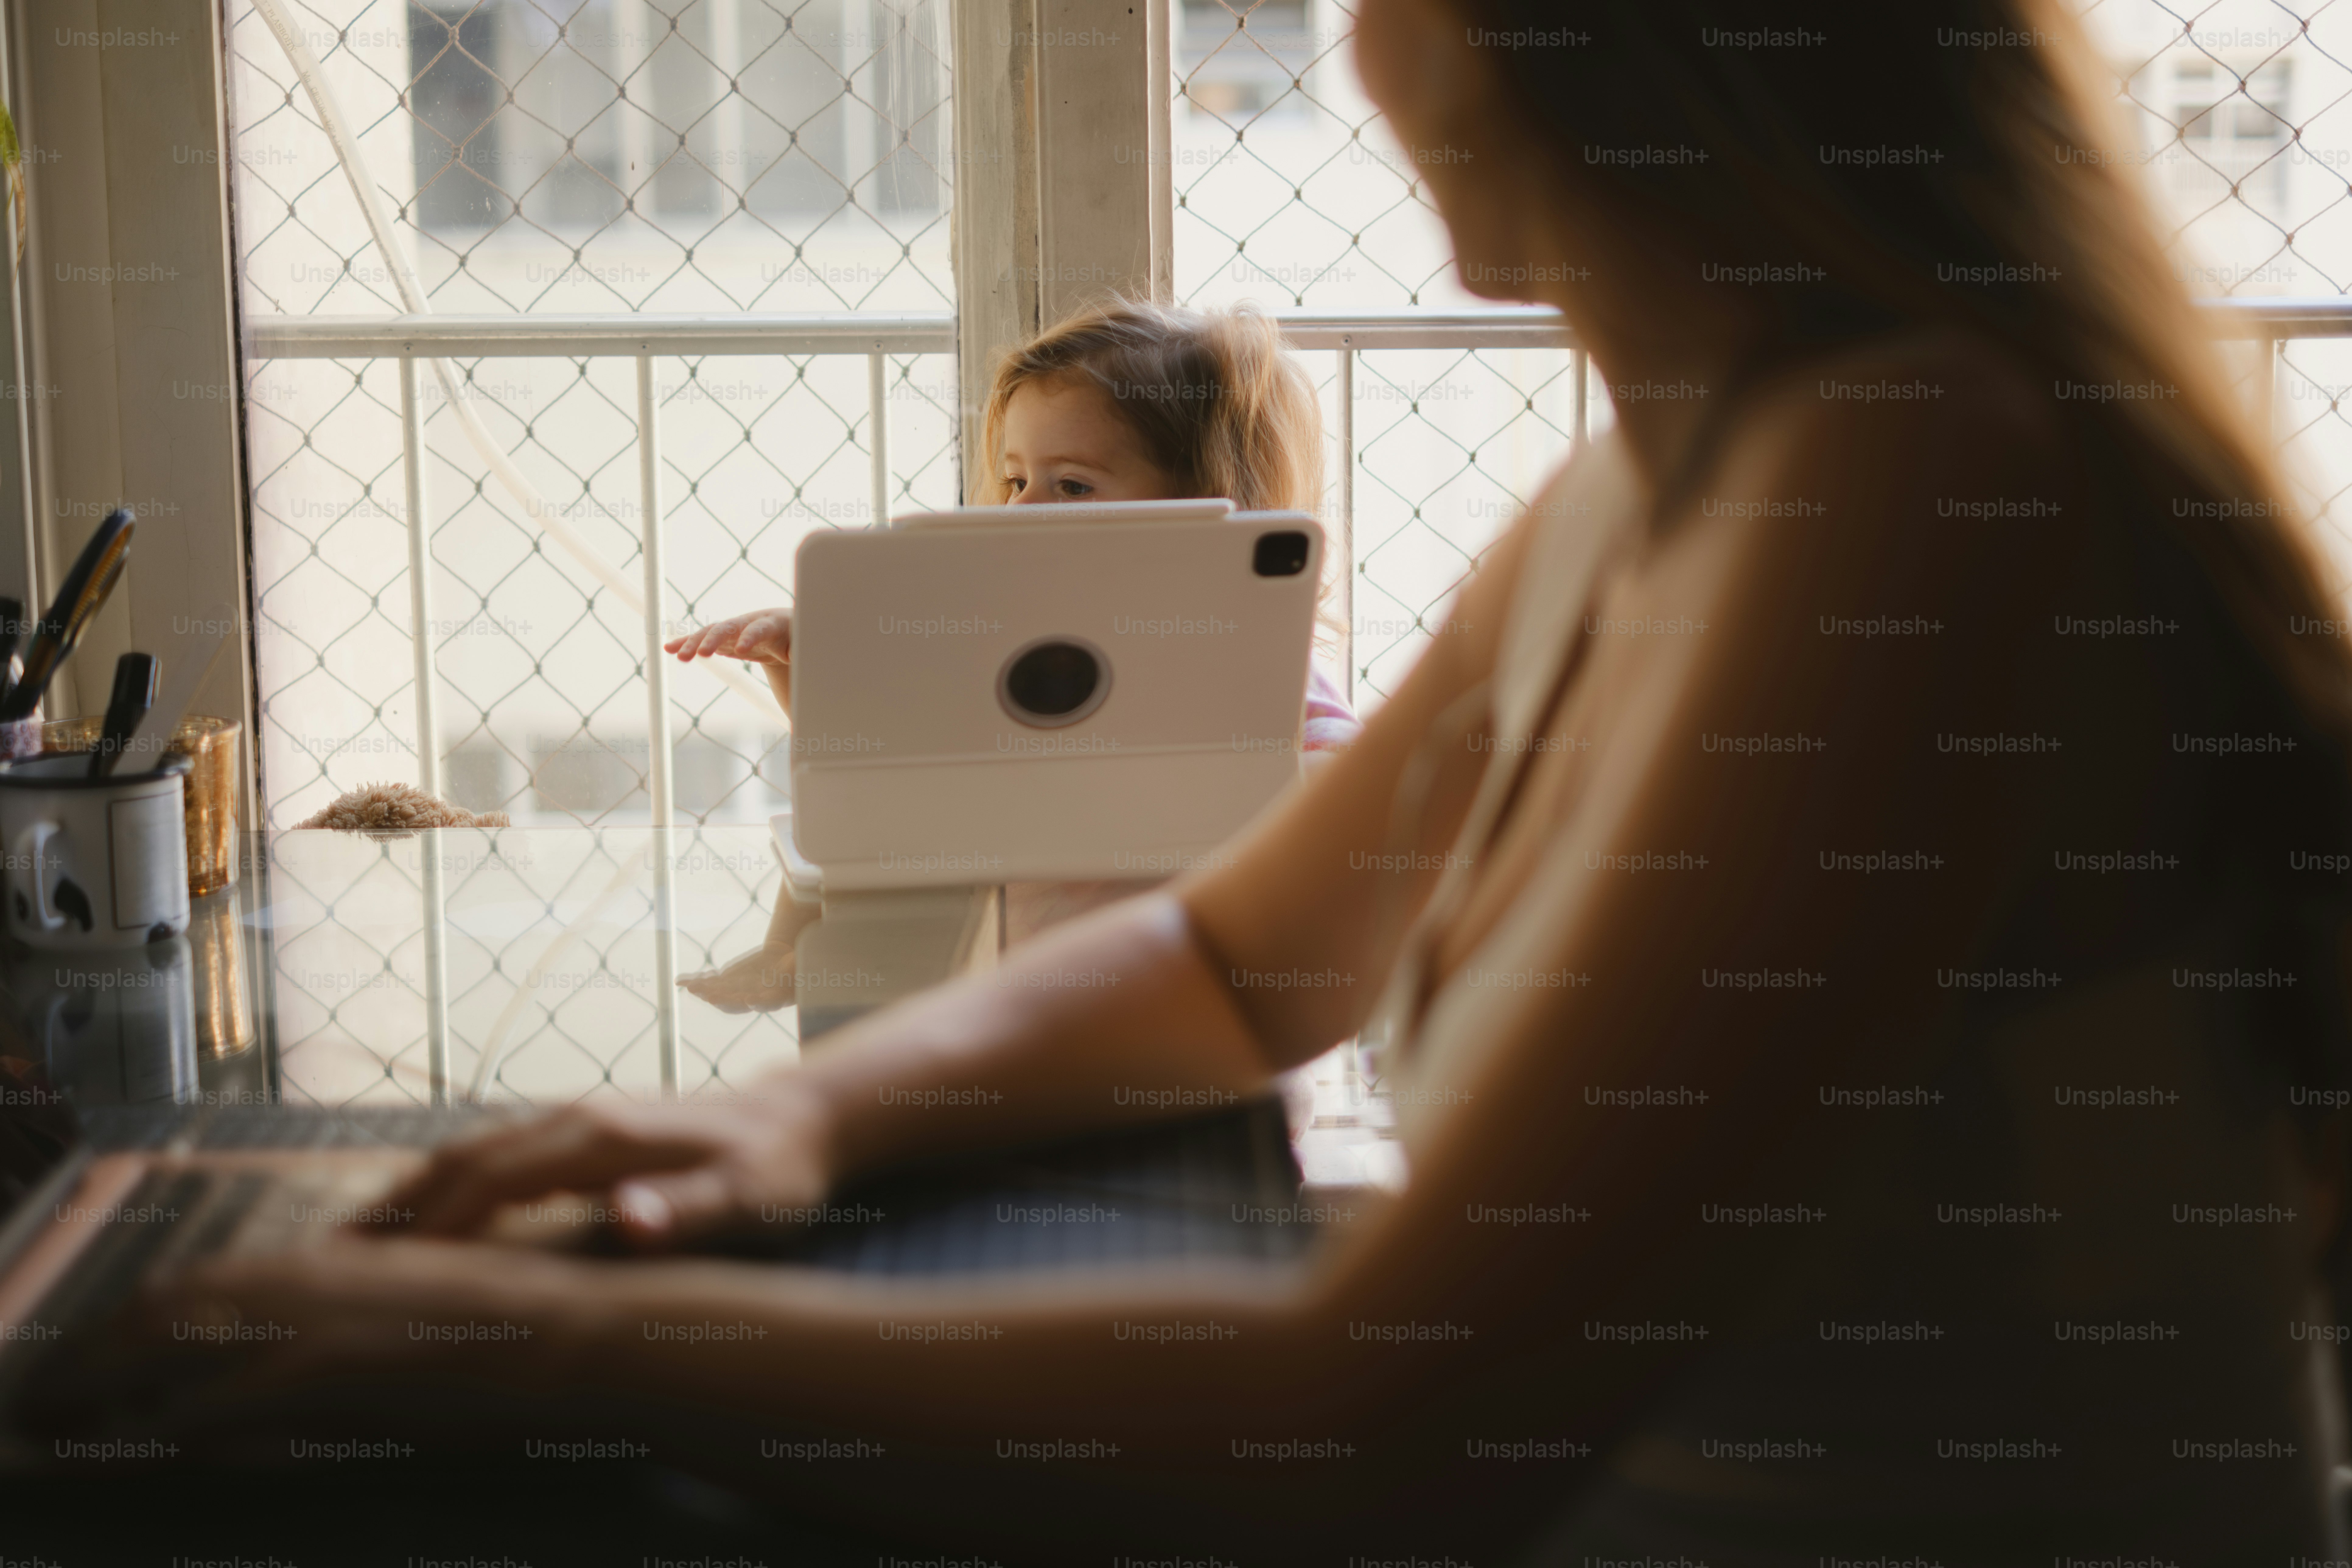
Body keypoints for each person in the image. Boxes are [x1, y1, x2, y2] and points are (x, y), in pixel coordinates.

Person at [37, 0, 2352, 1559]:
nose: (1364, 38)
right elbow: (1251, 957)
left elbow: (1392, 1406)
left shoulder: (1911, 488)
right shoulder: (1660, 487)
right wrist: (784, 1118)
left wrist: (558, 1345)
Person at [668, 298, 1362, 1010]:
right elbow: (890, 783)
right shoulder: (998, 644)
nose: (1022, 511)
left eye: (1072, 486)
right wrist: (815, 666)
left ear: (1203, 506)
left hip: (1195, 1014)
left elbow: (1343, 777)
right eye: (1014, 480)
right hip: (1016, 1002)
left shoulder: (1244, 651)